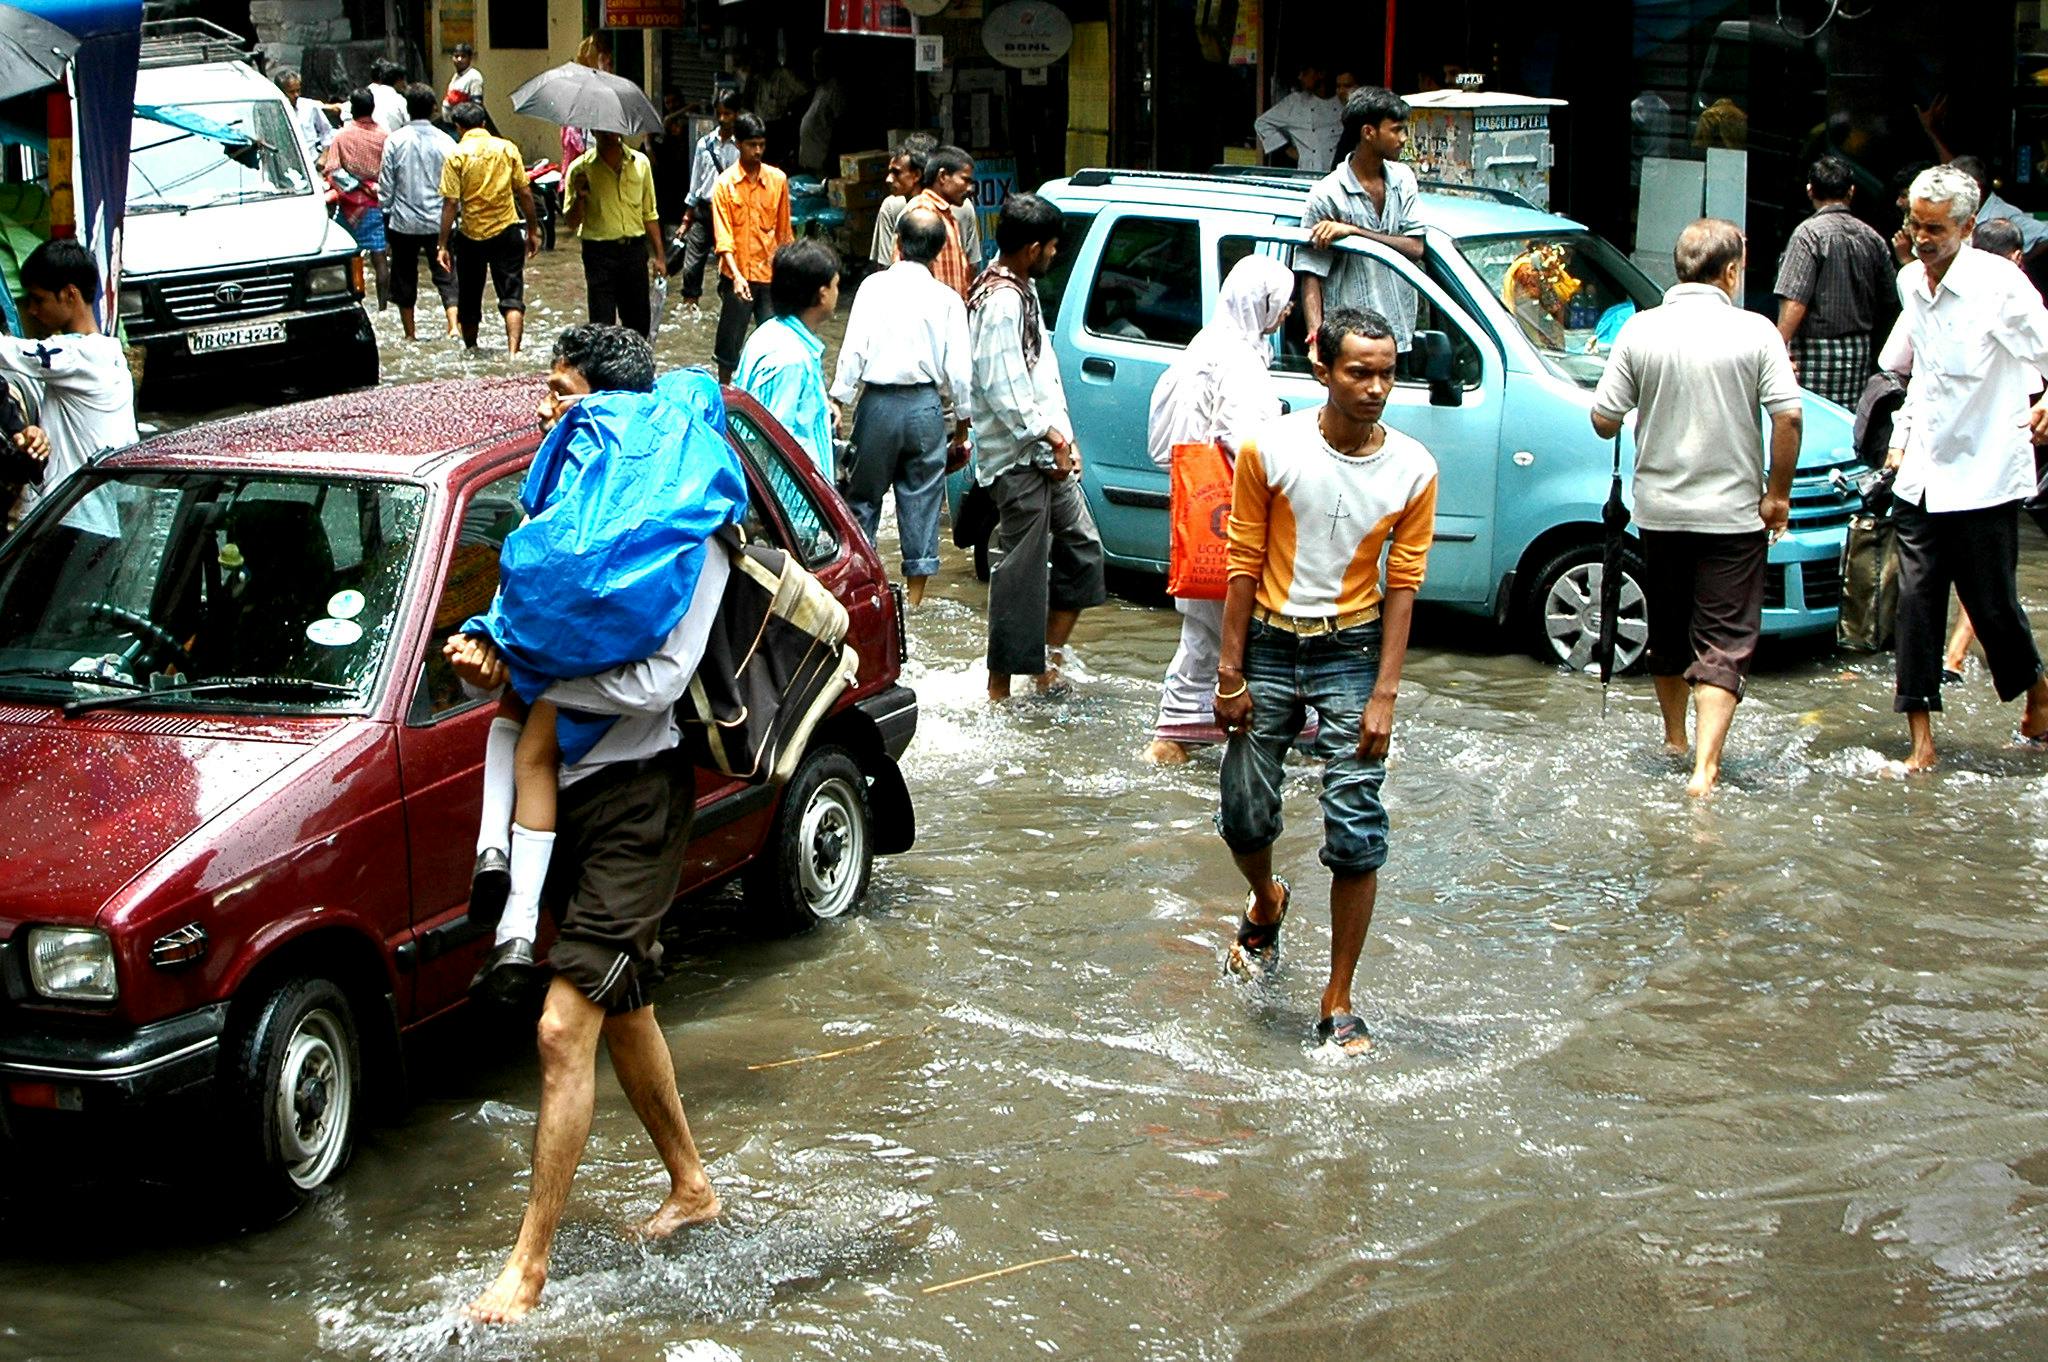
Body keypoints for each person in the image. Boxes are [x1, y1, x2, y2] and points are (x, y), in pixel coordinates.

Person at [451, 330, 743, 1327]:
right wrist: (482, 660)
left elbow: (659, 680)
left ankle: (525, 1272)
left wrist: (535, 683)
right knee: (621, 1006)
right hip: (556, 793)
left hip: (633, 800)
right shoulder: (557, 505)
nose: (543, 412)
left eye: (561, 396)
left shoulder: (690, 526)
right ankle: (691, 1184)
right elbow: (512, 624)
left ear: (610, 417)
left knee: (557, 1027)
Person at [1213, 307, 1436, 1057]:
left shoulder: (1412, 467)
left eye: (1387, 373)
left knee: (1356, 824)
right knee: (1245, 811)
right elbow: (1242, 561)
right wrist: (1229, 671)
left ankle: (1338, 999)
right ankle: (1267, 899)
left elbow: (1404, 583)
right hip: (1270, 644)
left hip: (1353, 648)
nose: (1376, 388)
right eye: (1359, 372)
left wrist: (1385, 694)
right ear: (1322, 372)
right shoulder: (1269, 450)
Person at [1589, 218, 1803, 797]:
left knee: (1669, 629)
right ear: (1731, 272)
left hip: (1659, 512)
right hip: (1733, 516)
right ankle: (1705, 771)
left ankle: (1675, 738)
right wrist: (1777, 496)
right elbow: (1789, 417)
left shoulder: (1640, 331)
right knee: (1725, 639)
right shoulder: (1757, 332)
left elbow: (1604, 418)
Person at [1877, 164, 2048, 769]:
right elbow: (1917, 371)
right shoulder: (1908, 284)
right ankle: (1922, 743)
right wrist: (1900, 439)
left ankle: (2036, 688)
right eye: (1913, 224)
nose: (1920, 238)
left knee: (1992, 599)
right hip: (1923, 470)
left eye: (1934, 228)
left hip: (1985, 472)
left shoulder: (2001, 286)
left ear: (1967, 227)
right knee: (1917, 603)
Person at [1146, 256, 1296, 764]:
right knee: (1259, 619)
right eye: (1282, 301)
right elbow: (1246, 440)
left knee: (1206, 627)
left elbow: (1161, 440)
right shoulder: (1239, 361)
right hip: (1235, 512)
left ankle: (1177, 732)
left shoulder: (1203, 347)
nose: (1289, 310)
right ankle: (1303, 729)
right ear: (1262, 304)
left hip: (1197, 507)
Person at [969, 193, 1107, 700]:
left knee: (1083, 551)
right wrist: (1048, 436)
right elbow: (1003, 388)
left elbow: (1038, 375)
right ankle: (1000, 686)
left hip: (1048, 453)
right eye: (1051, 247)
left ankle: (1044, 659)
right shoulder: (1002, 301)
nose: (1054, 255)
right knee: (1020, 575)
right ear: (1032, 248)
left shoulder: (1020, 288)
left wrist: (1061, 439)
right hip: (1020, 457)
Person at [832, 208, 973, 605]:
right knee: (923, 502)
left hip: (876, 405)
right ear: (939, 250)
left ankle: (863, 596)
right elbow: (960, 372)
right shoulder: (948, 299)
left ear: (896, 242)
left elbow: (853, 351)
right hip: (926, 409)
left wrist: (838, 399)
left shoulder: (872, 288)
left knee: (861, 499)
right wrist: (963, 423)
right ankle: (913, 604)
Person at [1943, 216, 2043, 682]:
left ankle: (1959, 656)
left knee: (1986, 576)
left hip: (1994, 452)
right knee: (1988, 573)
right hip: (2002, 450)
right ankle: (1958, 656)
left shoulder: (2000, 295)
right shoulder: (2009, 292)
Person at [0, 239, 133, 553]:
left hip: (75, 521)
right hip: (96, 517)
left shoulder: (75, 356)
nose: (32, 310)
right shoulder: (109, 352)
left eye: (38, 299)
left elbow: (9, 352)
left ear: (70, 294)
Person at [1298, 86, 1424, 356]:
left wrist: (1354, 232)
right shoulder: (1327, 194)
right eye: (1396, 130)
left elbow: (1415, 247)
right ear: (1369, 132)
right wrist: (1316, 338)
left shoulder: (1403, 180)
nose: (1403, 139)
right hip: (1349, 344)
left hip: (1398, 336)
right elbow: (1311, 273)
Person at [1773, 153, 1894, 409]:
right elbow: (1891, 299)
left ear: (1810, 190)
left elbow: (1795, 299)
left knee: (1813, 421)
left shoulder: (1808, 234)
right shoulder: (1872, 238)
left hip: (1813, 351)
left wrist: (1775, 345)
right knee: (1847, 426)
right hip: (1859, 350)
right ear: (1851, 191)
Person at [437, 100, 540, 354]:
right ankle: (514, 353)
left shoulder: (456, 155)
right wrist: (534, 230)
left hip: (471, 236)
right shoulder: (507, 148)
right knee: (512, 295)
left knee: (469, 298)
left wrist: (442, 244)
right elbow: (525, 193)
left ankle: (471, 349)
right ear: (484, 124)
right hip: (507, 230)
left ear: (459, 128)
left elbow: (451, 202)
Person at [736, 239, 841, 478]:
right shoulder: (788, 359)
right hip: (795, 509)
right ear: (822, 294)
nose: (838, 292)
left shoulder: (771, 332)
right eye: (836, 285)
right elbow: (772, 446)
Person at [710, 113, 792, 383]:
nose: (757, 151)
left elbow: (784, 235)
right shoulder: (724, 184)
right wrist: (737, 277)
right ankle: (724, 395)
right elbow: (723, 238)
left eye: (761, 145)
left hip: (769, 277)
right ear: (737, 144)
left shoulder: (778, 181)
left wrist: (787, 277)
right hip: (737, 275)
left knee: (775, 344)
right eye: (751, 145)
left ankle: (765, 400)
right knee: (728, 348)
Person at [562, 128, 664, 338]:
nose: (610, 136)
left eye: (614, 131)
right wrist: (580, 197)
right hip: (598, 253)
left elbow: (649, 214)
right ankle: (604, 369)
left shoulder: (640, 163)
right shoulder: (579, 169)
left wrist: (660, 257)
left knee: (639, 324)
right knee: (601, 326)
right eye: (604, 132)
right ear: (593, 131)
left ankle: (636, 369)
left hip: (634, 251)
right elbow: (571, 223)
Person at [379, 83, 460, 341]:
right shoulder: (446, 141)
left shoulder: (394, 140)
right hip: (440, 223)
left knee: (404, 279)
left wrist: (386, 216)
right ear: (434, 108)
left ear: (407, 109)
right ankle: (453, 327)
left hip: (404, 222)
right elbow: (454, 189)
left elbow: (386, 186)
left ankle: (410, 334)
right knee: (446, 275)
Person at [674, 91, 742, 322]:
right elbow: (696, 183)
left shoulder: (742, 147)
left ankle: (728, 312)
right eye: (719, 113)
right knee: (692, 265)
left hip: (730, 215)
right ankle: (689, 306)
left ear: (737, 115)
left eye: (728, 113)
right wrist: (686, 219)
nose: (723, 118)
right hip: (703, 211)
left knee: (727, 267)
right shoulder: (704, 144)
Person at [322, 89, 390, 309]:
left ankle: (347, 302)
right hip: (375, 204)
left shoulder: (342, 135)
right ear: (372, 109)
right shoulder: (384, 135)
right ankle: (382, 307)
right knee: (380, 259)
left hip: (348, 205)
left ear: (352, 110)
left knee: (343, 255)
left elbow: (331, 169)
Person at [902, 145, 978, 298]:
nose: (970, 188)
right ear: (942, 176)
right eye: (965, 180)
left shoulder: (947, 215)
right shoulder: (922, 212)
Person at [1945, 156, 2048, 263]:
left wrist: (2020, 264)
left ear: (1977, 187)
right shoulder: (1960, 212)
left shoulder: (2003, 213)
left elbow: (2046, 234)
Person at [1255, 62, 1342, 173]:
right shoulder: (1295, 103)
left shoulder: (1342, 101)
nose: (1300, 77)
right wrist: (1286, 148)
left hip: (1336, 174)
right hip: (1308, 175)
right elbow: (1262, 123)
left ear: (1321, 74)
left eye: (1305, 73)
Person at [871, 132, 939, 266]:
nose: (888, 179)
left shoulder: (958, 208)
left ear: (917, 175)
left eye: (896, 173)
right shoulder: (893, 207)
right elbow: (885, 265)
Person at [797, 49, 847, 178]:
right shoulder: (820, 88)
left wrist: (830, 158)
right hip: (810, 161)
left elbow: (840, 125)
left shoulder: (835, 89)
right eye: (814, 64)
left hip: (822, 163)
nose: (815, 69)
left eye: (819, 65)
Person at [275, 68, 333, 162]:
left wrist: (324, 156)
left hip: (312, 162)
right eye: (291, 92)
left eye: (298, 90)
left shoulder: (309, 106)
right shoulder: (272, 111)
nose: (297, 95)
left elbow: (326, 131)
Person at [368, 58, 408, 133]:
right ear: (399, 79)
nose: (405, 84)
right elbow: (409, 123)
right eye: (404, 80)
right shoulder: (399, 100)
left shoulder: (369, 95)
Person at [445, 42, 483, 108]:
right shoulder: (456, 76)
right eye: (456, 56)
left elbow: (476, 107)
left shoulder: (474, 76)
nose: (459, 59)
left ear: (470, 58)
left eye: (463, 56)